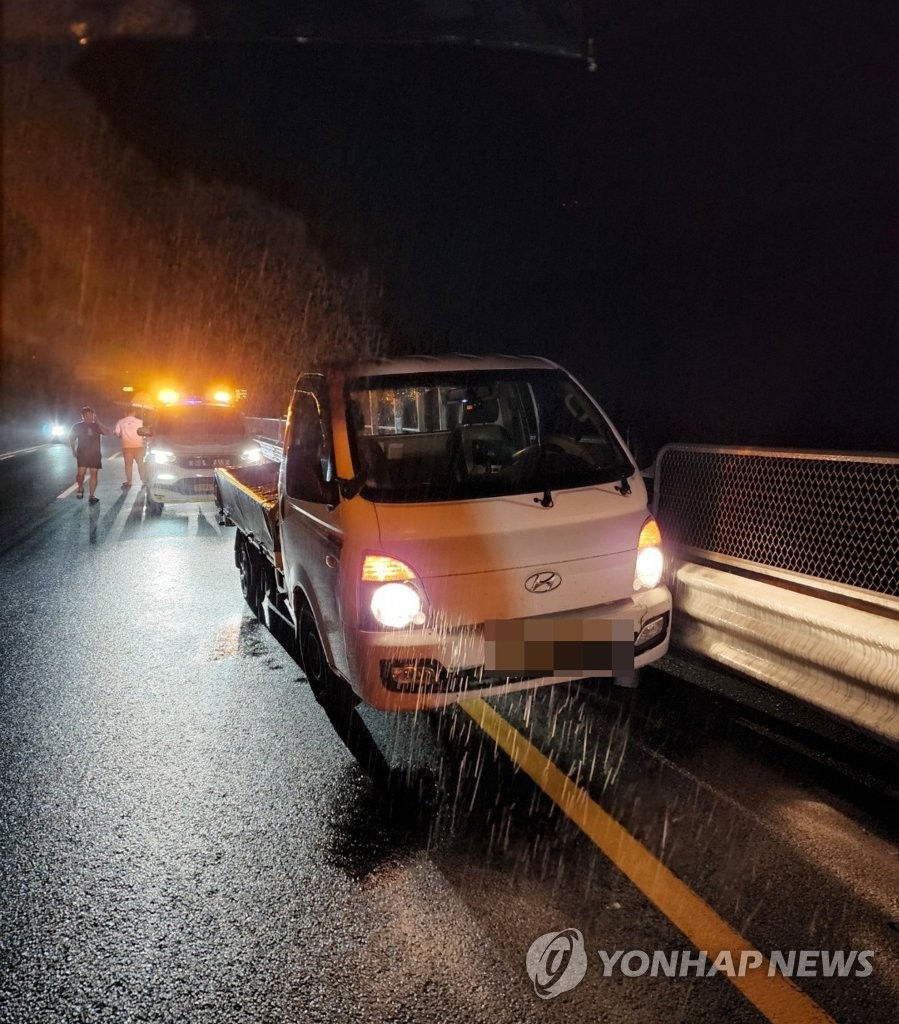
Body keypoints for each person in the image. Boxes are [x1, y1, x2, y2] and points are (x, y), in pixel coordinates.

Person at [70, 406, 108, 504]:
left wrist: (98, 421)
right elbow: (72, 438)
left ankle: (92, 495)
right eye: (86, 415)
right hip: (82, 453)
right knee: (80, 474)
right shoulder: (77, 426)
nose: (89, 417)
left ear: (93, 415)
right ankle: (80, 488)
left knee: (94, 474)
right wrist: (73, 450)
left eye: (91, 415)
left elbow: (106, 432)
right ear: (82, 416)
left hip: (95, 453)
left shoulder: (96, 425)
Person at [114, 406, 146, 489]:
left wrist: (122, 435)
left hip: (127, 446)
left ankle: (129, 482)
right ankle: (144, 480)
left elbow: (117, 433)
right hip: (138, 445)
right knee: (140, 463)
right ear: (134, 412)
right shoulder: (140, 421)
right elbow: (145, 433)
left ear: (125, 413)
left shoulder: (120, 422)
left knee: (128, 464)